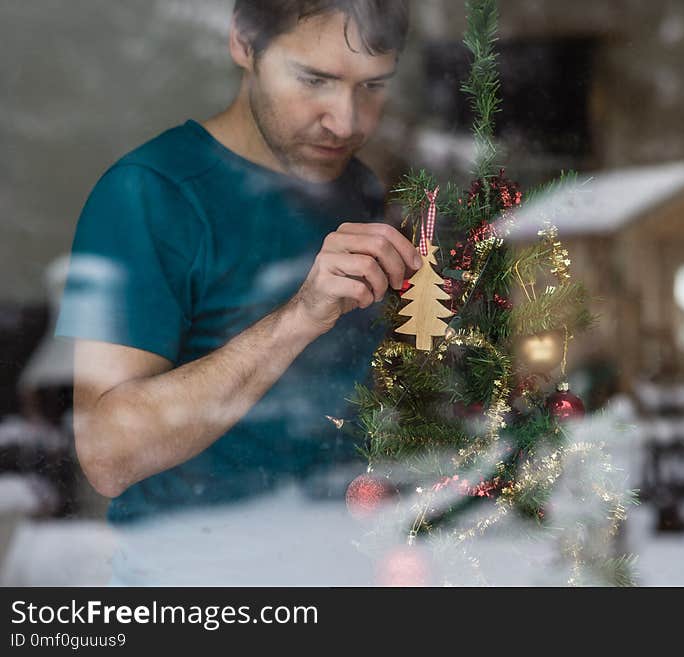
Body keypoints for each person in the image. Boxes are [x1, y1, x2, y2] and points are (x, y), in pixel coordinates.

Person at [54, 0, 418, 529]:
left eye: (373, 86)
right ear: (243, 43)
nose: (345, 120)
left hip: (353, 559)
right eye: (314, 79)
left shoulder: (360, 187)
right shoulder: (148, 193)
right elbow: (108, 457)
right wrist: (298, 318)